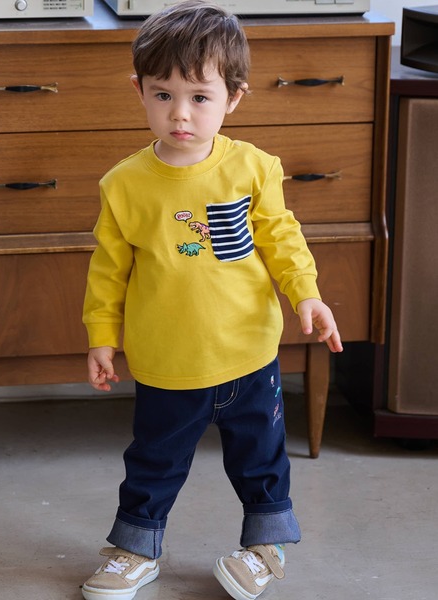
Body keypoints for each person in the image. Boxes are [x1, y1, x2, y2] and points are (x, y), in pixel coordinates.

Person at [81, 1, 343, 599]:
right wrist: (101, 336)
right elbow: (108, 271)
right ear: (139, 91)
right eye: (163, 94)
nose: (180, 113)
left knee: (261, 460)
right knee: (153, 462)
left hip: (249, 353)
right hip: (166, 360)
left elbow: (281, 238)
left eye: (200, 97)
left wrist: (306, 294)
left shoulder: (253, 167)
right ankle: (135, 549)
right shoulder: (123, 184)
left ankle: (265, 547)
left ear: (234, 98)